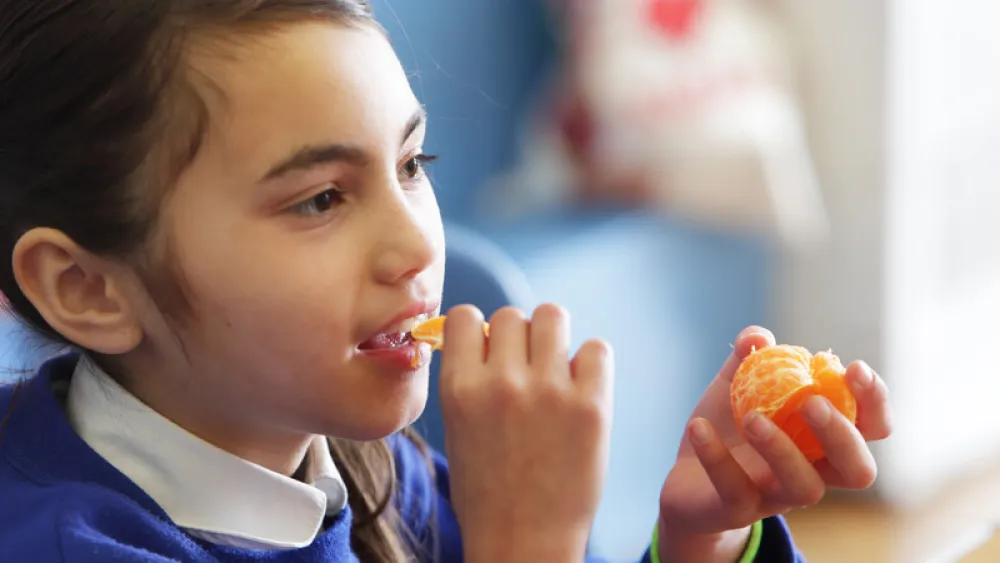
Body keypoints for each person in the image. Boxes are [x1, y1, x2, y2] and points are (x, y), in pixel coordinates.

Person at [0, 2, 893, 561]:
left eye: (413, 162)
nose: (413, 246)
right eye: (319, 199)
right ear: (86, 288)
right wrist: (528, 544)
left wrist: (701, 533)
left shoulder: (370, 462)